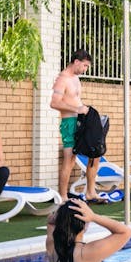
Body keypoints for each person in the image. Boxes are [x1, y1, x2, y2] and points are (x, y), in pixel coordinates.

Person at [46, 198, 131, 262]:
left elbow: (50, 222)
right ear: (85, 224)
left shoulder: (52, 247)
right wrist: (93, 217)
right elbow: (126, 232)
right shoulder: (90, 251)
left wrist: (60, 212)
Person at [50, 49, 97, 201]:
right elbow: (54, 103)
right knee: (69, 159)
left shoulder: (76, 78)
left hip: (81, 122)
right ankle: (63, 196)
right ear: (76, 62)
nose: (85, 69)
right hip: (69, 123)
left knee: (95, 154)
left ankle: (90, 192)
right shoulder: (62, 79)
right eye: (84, 66)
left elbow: (75, 99)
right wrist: (77, 109)